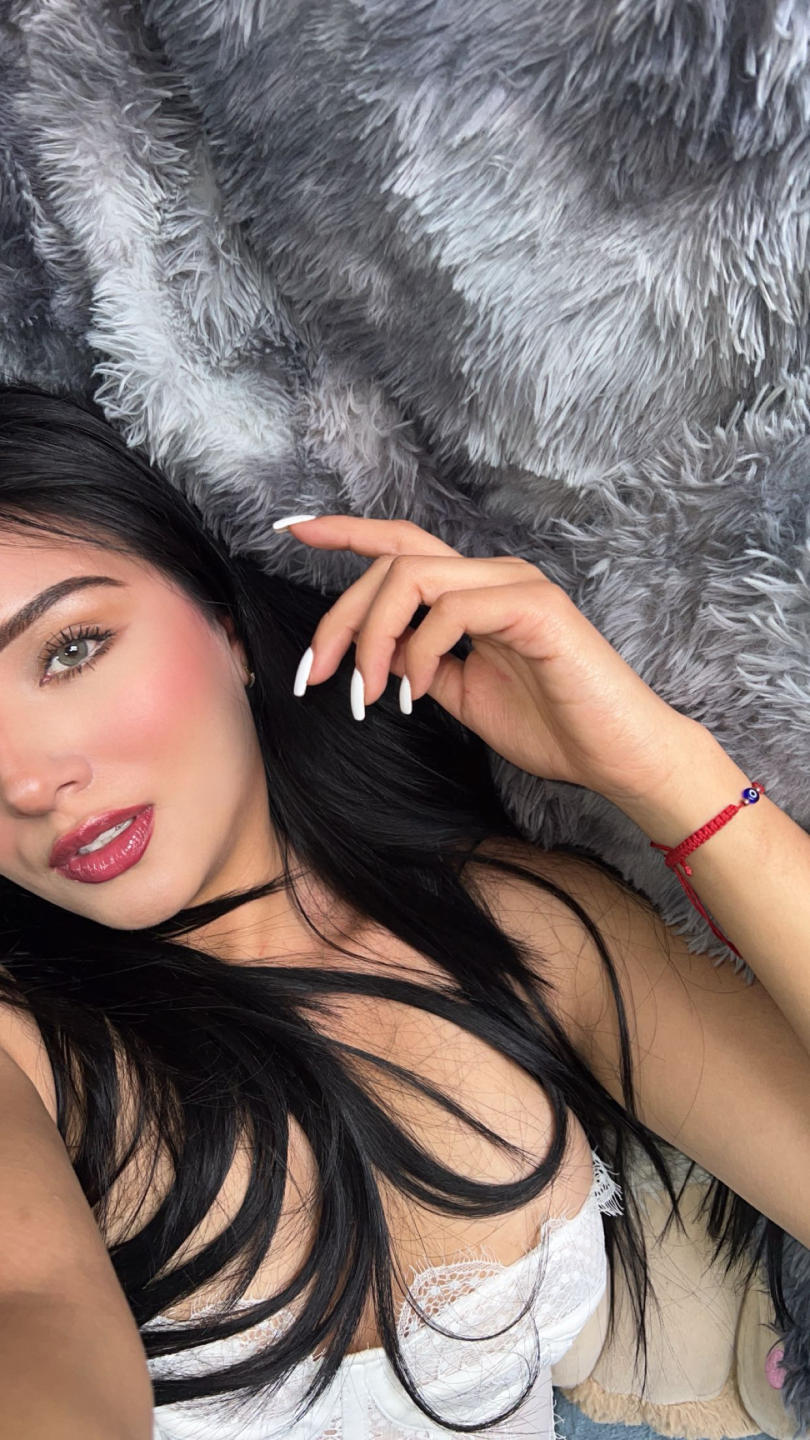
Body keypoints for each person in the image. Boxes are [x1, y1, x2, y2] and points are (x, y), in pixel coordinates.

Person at [0, 383, 807, 1440]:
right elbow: (30, 1307)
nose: (28, 782)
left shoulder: (523, 929)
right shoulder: (24, 1051)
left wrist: (662, 768)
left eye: (70, 649)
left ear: (227, 626)